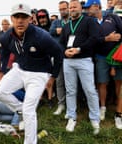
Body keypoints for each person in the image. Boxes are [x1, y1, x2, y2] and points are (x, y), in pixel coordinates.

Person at [0, 3, 63, 144]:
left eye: (24, 17)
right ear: (11, 18)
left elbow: (58, 53)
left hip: (39, 73)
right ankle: (20, 109)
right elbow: (5, 52)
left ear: (30, 18)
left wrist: (53, 76)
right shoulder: (6, 36)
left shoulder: (41, 36)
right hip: (20, 69)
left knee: (29, 110)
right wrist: (2, 73)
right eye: (17, 17)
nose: (20, 21)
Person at [60, 0, 101, 135]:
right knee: (70, 90)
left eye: (74, 7)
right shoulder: (66, 26)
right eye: (70, 7)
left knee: (89, 89)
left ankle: (94, 118)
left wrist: (78, 49)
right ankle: (72, 116)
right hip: (68, 61)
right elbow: (61, 43)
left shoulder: (89, 21)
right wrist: (64, 51)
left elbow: (94, 38)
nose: (72, 9)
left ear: (80, 8)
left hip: (84, 59)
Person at [85, 0, 122, 129]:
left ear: (96, 6)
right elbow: (91, 41)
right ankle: (103, 107)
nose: (87, 10)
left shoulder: (113, 17)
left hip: (116, 58)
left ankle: (119, 113)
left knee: (119, 84)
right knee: (102, 83)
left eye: (89, 8)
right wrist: (107, 39)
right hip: (100, 57)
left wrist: (118, 37)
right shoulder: (89, 21)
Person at [49, 0, 69, 116]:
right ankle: (61, 104)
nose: (62, 11)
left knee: (71, 83)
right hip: (58, 56)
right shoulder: (56, 22)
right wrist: (57, 30)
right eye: (60, 9)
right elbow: (50, 31)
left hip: (71, 56)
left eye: (64, 9)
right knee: (59, 81)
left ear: (68, 8)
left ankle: (72, 105)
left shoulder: (73, 21)